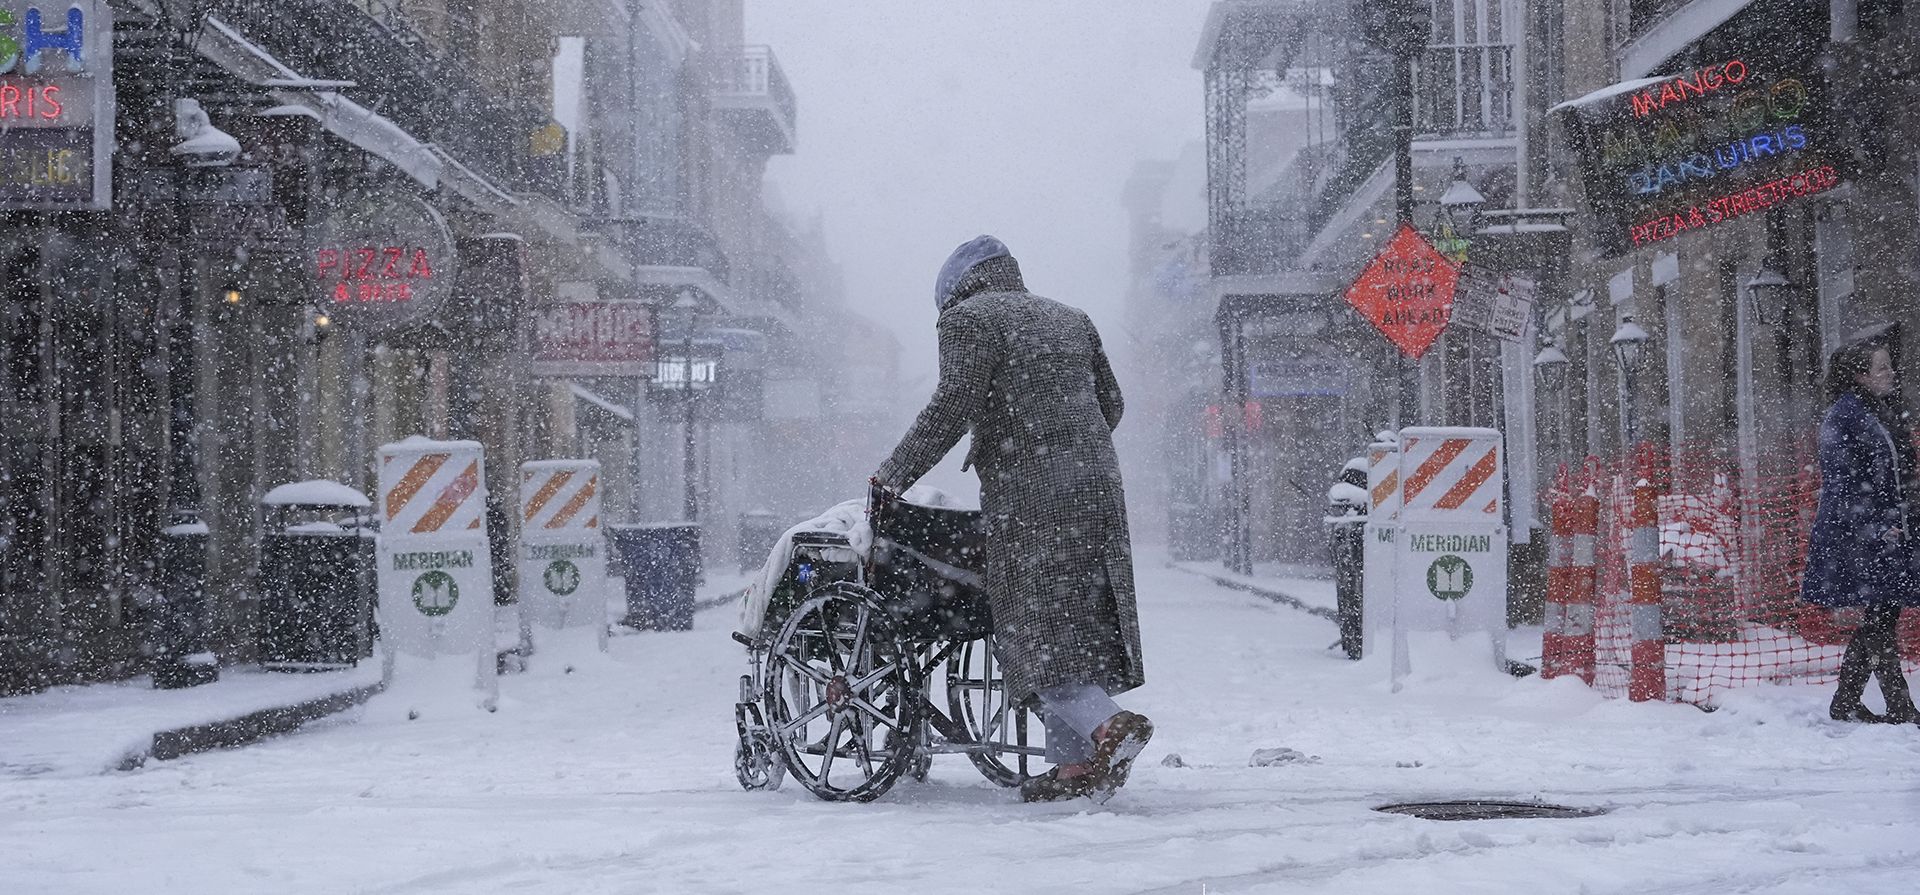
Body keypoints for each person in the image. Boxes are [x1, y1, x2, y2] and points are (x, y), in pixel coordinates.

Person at [874, 235, 1150, 803]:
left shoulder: (967, 321)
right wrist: (1072, 444)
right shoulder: (1072, 319)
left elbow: (954, 402)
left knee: (1031, 625)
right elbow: (1112, 404)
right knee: (1076, 621)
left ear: (953, 292)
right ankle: (1073, 768)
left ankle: (1106, 724)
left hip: (1032, 494)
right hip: (1096, 489)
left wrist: (894, 475)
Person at [1803, 340, 1920, 724]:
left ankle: (1846, 701)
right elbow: (1845, 484)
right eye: (1881, 368)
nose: (1890, 374)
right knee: (1881, 618)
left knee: (1881, 616)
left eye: (1889, 366)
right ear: (1860, 376)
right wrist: (1875, 528)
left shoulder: (1879, 410)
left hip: (1889, 531)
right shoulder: (1845, 417)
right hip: (1861, 537)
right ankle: (1900, 706)